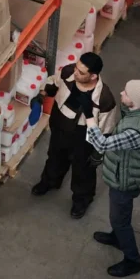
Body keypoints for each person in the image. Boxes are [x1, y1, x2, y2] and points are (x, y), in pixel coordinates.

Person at [81, 80, 140, 277]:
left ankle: (132, 261)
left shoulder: (136, 131)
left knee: (120, 221)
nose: (122, 92)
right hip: (125, 171)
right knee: (120, 216)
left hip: (126, 181)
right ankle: (117, 238)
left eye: (126, 93)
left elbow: (101, 144)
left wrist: (89, 115)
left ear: (134, 101)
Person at [32, 52, 119, 219]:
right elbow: (54, 82)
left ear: (93, 76)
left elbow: (106, 128)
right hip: (60, 126)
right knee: (55, 157)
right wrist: (42, 94)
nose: (75, 72)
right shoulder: (67, 73)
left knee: (82, 170)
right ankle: (49, 182)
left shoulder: (105, 99)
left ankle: (82, 200)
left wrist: (98, 153)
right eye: (76, 68)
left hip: (83, 137)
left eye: (81, 72)